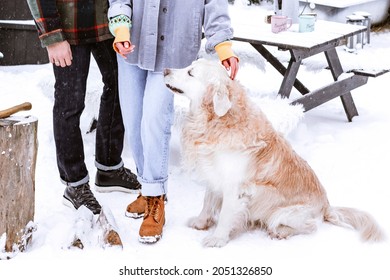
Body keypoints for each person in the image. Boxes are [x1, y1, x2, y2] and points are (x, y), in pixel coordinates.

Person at [107, 0, 239, 243]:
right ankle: (147, 187)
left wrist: (223, 46)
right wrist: (121, 27)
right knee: (134, 122)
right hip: (133, 46)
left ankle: (156, 197)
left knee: (154, 121)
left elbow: (214, 5)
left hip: (174, 48)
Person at [26, 0, 141, 215]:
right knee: (70, 103)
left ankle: (109, 169)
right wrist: (52, 35)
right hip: (68, 28)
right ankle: (75, 183)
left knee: (120, 89)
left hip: (107, 23)